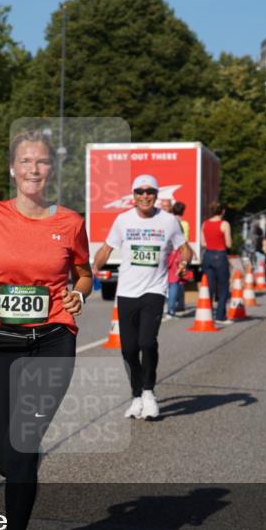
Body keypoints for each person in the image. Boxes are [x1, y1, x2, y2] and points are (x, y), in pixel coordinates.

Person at [0, 130, 92, 530]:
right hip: (0, 339)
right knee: (7, 457)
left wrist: (77, 296)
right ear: (13, 169)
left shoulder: (71, 222)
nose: (34, 169)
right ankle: (22, 465)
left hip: (53, 339)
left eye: (41, 162)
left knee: (20, 448)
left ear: (50, 170)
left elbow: (84, 274)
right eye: (26, 161)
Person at [93, 174, 192, 420]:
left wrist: (184, 262)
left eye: (150, 192)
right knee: (128, 350)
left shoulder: (168, 221)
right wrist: (93, 269)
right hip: (126, 292)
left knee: (147, 342)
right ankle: (136, 396)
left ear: (157, 196)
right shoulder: (123, 220)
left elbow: (184, 248)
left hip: (154, 290)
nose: (145, 196)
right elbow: (106, 248)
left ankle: (148, 392)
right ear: (134, 195)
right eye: (140, 192)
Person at [201, 203, 233, 324]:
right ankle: (220, 316)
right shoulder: (224, 224)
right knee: (223, 286)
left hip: (208, 255)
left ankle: (208, 313)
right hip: (220, 255)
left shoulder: (205, 224)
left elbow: (203, 243)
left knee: (209, 286)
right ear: (223, 212)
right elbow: (229, 243)